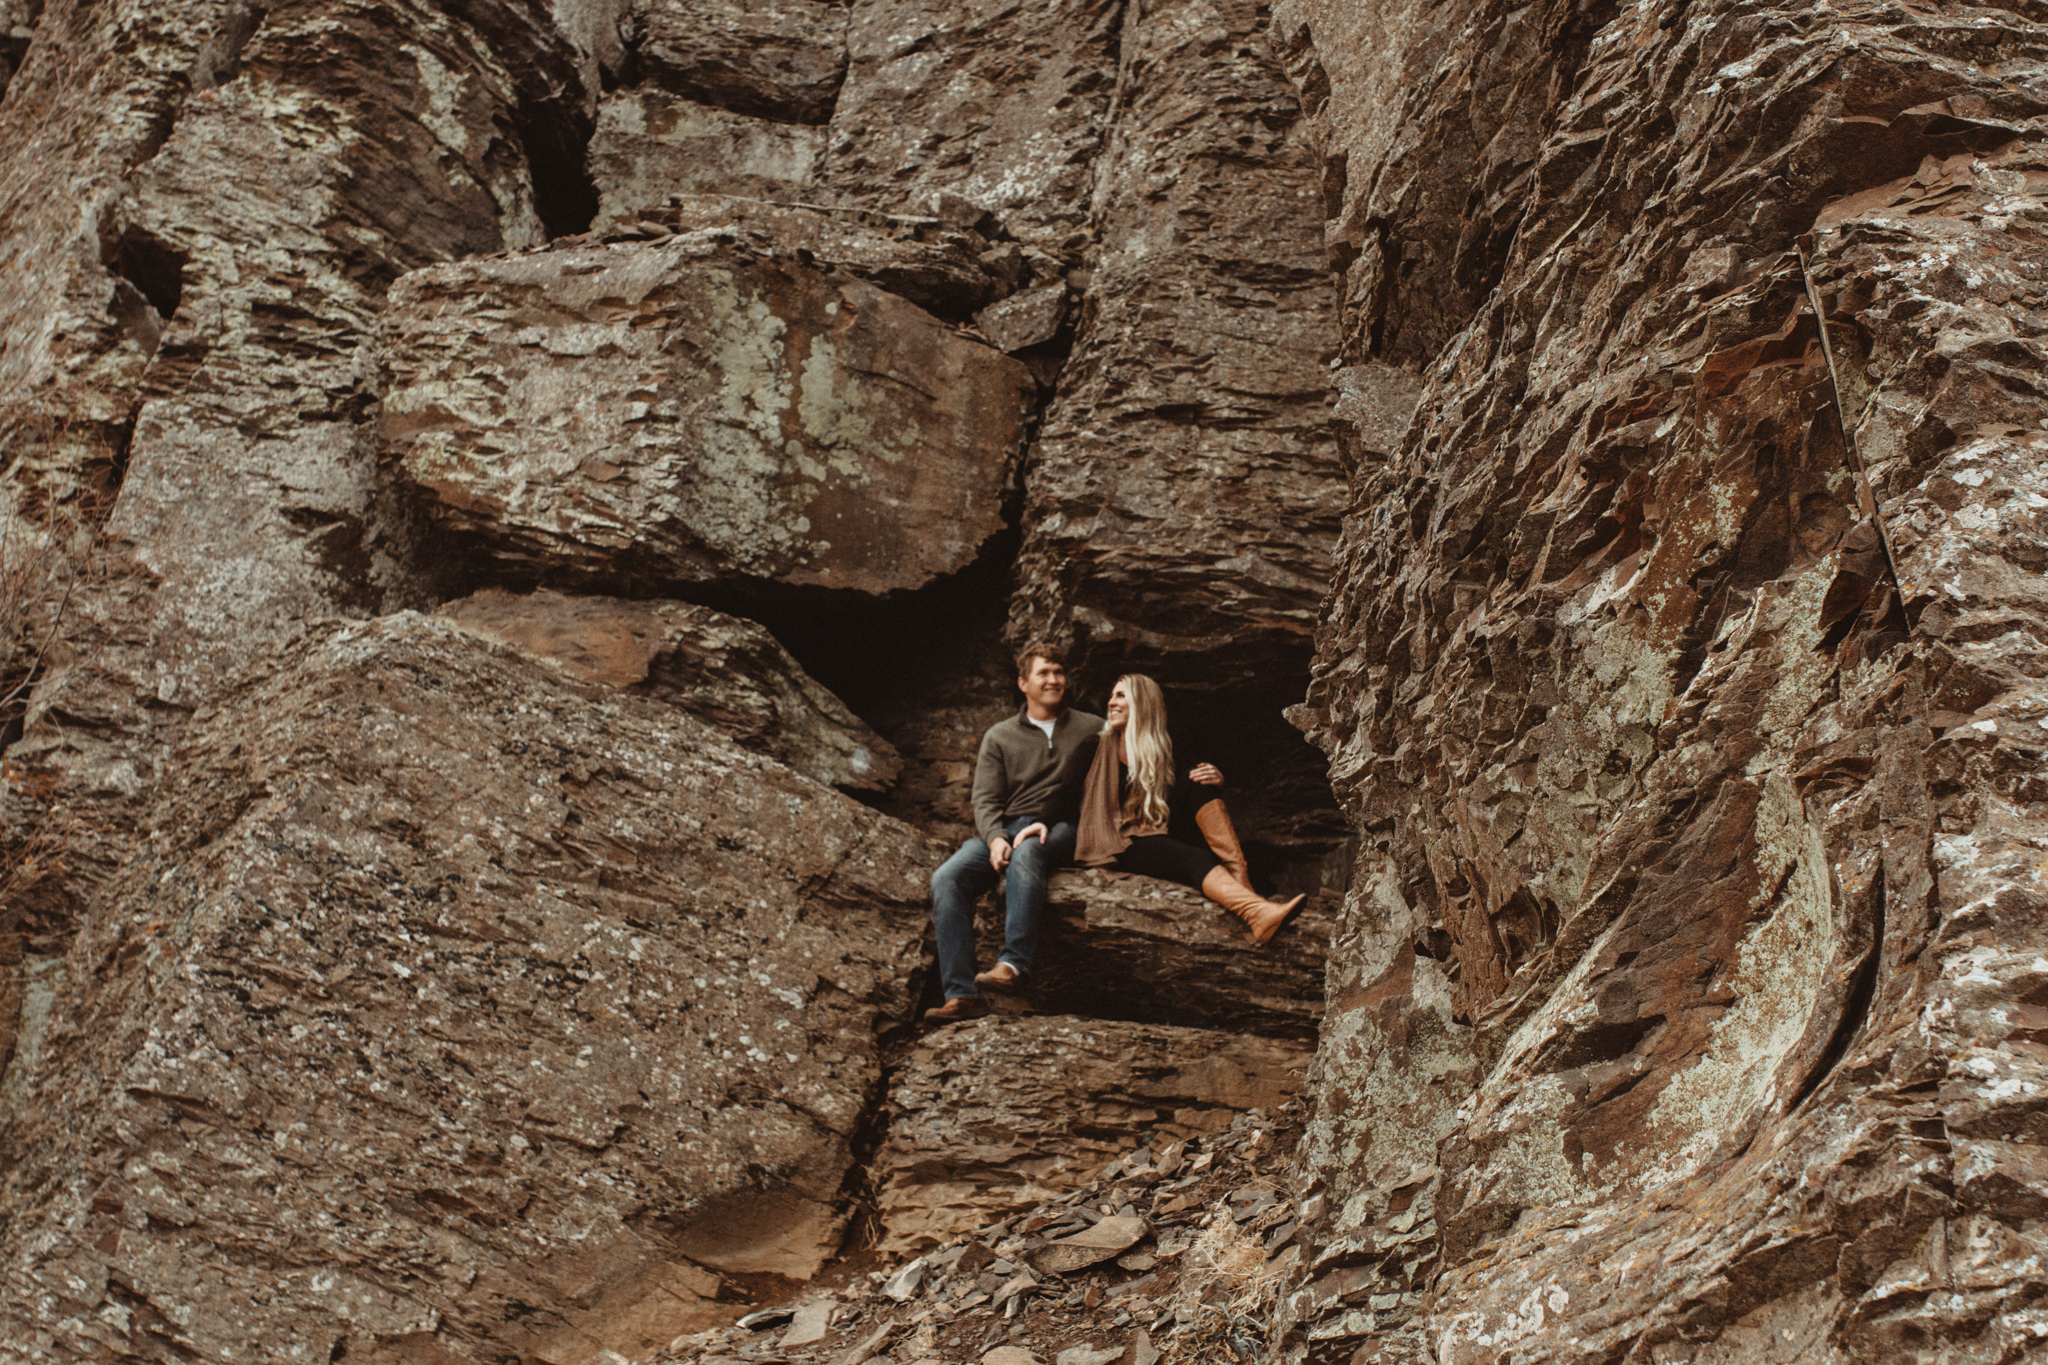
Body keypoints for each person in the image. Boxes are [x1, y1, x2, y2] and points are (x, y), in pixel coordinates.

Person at [924, 643, 1103, 1025]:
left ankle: (1014, 964)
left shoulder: (1093, 727)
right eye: (1044, 673)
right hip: (1009, 826)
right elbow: (985, 800)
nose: (1054, 680)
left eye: (1058, 672)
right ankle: (963, 995)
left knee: (1028, 851)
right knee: (947, 877)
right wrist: (994, 839)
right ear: (1023, 683)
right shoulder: (999, 736)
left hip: (1065, 826)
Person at [1075, 674, 1305, 943]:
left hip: (1153, 830)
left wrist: (1215, 780)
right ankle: (1255, 912)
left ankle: (1242, 882)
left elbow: (1185, 791)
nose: (1111, 702)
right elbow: (1064, 798)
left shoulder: (1161, 749)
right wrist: (1037, 826)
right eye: (1112, 696)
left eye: (1121, 695)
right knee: (1195, 858)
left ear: (1143, 703)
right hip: (1121, 844)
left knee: (1199, 777)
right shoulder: (1093, 747)